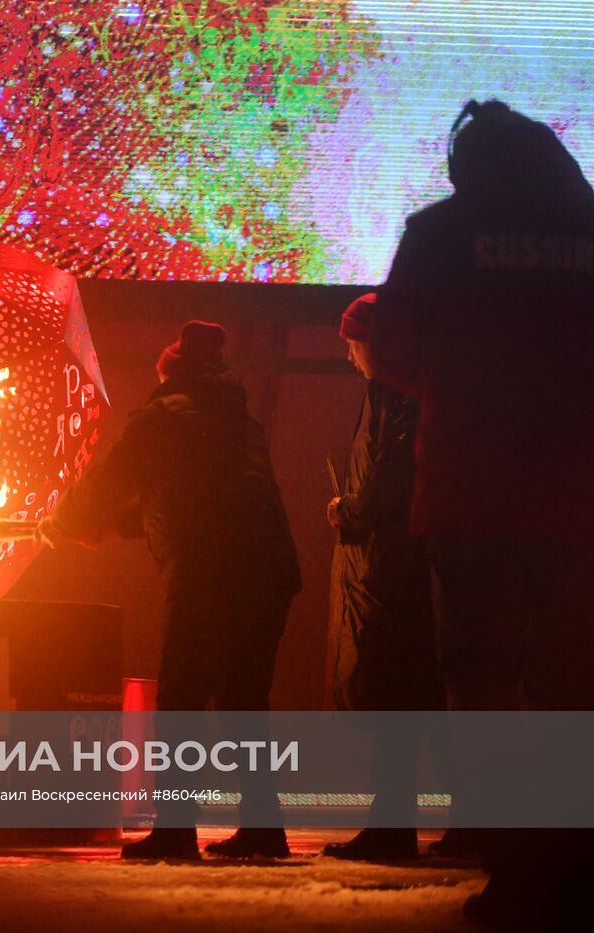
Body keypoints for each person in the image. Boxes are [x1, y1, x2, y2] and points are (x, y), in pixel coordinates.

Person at [367, 100, 594, 926]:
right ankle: (578, 872)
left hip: (469, 494)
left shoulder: (438, 233)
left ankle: (517, 874)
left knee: (485, 689)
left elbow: (392, 351)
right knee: (575, 687)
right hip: (579, 502)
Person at [39, 321, 302, 860]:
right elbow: (188, 495)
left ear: (170, 374)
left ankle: (176, 830)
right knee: (244, 701)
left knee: (181, 700)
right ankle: (263, 828)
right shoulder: (240, 421)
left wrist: (62, 523)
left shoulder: (162, 417)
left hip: (210, 572)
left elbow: (107, 482)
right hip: (270, 572)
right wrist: (111, 527)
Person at [322, 293, 448, 862]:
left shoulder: (391, 396)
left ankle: (390, 827)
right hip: (401, 566)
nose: (350, 357)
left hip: (387, 572)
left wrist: (347, 511)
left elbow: (389, 476)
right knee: (417, 699)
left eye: (353, 344)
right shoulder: (418, 392)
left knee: (391, 695)